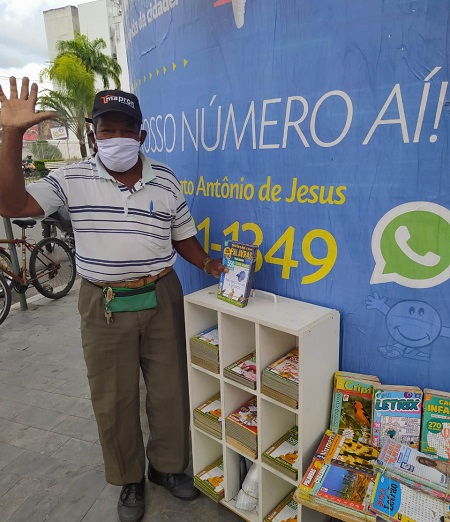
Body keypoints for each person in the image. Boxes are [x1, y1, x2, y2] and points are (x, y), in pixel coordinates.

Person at [0, 77, 227, 522]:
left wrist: (211, 266)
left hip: (162, 294)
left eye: (126, 129)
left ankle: (167, 468)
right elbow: (13, 206)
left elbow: (183, 235)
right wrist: (11, 135)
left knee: (169, 389)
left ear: (142, 135)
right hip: (102, 301)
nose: (117, 138)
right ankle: (129, 479)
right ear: (93, 134)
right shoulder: (69, 179)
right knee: (114, 396)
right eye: (108, 129)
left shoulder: (165, 178)